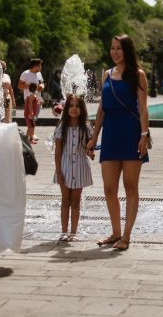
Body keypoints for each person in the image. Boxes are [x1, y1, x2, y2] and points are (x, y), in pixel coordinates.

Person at [86, 35, 150, 251]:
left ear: (127, 50)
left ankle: (127, 236)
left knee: (131, 186)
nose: (114, 52)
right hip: (111, 134)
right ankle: (115, 232)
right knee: (109, 187)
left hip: (132, 134)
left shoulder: (138, 75)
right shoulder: (106, 75)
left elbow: (143, 108)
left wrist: (143, 135)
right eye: (112, 48)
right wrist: (94, 137)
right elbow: (102, 109)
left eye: (119, 48)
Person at [54, 94, 94, 242]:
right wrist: (58, 171)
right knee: (65, 200)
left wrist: (90, 152)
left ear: (82, 109)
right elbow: (57, 151)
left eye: (77, 106)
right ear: (66, 108)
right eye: (71, 106)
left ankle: (73, 232)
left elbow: (89, 147)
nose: (74, 109)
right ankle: (64, 231)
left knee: (76, 200)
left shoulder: (87, 127)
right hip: (64, 165)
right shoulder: (61, 126)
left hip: (80, 166)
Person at [18, 58, 44, 141]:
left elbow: (42, 83)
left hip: (38, 98)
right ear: (35, 66)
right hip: (29, 99)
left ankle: (30, 135)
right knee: (31, 117)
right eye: (40, 65)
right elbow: (19, 86)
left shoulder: (39, 74)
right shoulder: (25, 73)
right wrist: (31, 86)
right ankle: (29, 136)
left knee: (34, 118)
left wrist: (41, 86)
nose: (41, 67)